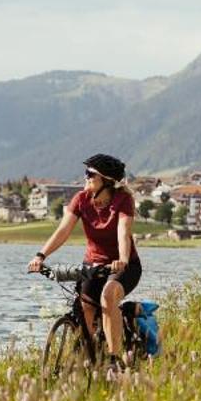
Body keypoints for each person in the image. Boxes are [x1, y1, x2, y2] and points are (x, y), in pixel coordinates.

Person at [29, 153, 141, 363]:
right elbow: (63, 231)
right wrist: (40, 255)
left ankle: (114, 360)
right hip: (93, 264)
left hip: (125, 265)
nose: (86, 177)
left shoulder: (122, 200)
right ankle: (92, 356)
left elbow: (123, 232)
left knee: (108, 295)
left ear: (106, 181)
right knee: (85, 307)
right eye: (86, 173)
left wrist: (123, 259)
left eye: (91, 174)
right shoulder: (81, 199)